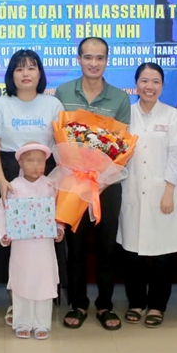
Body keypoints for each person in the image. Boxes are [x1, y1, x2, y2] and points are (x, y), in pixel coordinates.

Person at [0, 49, 63, 327]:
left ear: (40, 73)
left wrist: (59, 182)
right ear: (11, 75)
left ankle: (42, 298)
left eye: (31, 68)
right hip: (8, 175)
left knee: (42, 242)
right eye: (19, 68)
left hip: (45, 177)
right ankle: (17, 302)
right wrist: (2, 181)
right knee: (12, 241)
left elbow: (61, 146)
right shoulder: (1, 105)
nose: (25, 73)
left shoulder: (52, 105)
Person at [54, 36, 130, 331]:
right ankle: (78, 302)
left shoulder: (120, 98)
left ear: (107, 61)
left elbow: (123, 146)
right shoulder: (63, 92)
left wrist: (100, 180)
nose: (93, 63)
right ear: (79, 59)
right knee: (75, 248)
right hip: (73, 183)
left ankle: (105, 304)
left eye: (99, 58)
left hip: (107, 186)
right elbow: (59, 139)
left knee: (106, 247)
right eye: (88, 57)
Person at [118, 63, 177, 329]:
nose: (150, 86)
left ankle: (157, 305)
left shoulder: (171, 115)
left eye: (156, 81)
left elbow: (176, 155)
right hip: (131, 190)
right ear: (136, 84)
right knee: (132, 253)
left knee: (162, 255)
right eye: (144, 81)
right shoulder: (127, 114)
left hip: (162, 192)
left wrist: (169, 190)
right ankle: (136, 303)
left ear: (162, 85)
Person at [0, 142, 65, 340]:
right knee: (22, 280)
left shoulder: (51, 186)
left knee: (43, 281)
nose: (36, 165)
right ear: (20, 163)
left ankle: (42, 323)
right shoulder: (13, 187)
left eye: (40, 161)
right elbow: (2, 211)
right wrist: (4, 234)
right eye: (30, 161)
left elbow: (59, 211)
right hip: (22, 247)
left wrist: (59, 228)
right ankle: (22, 322)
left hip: (44, 246)